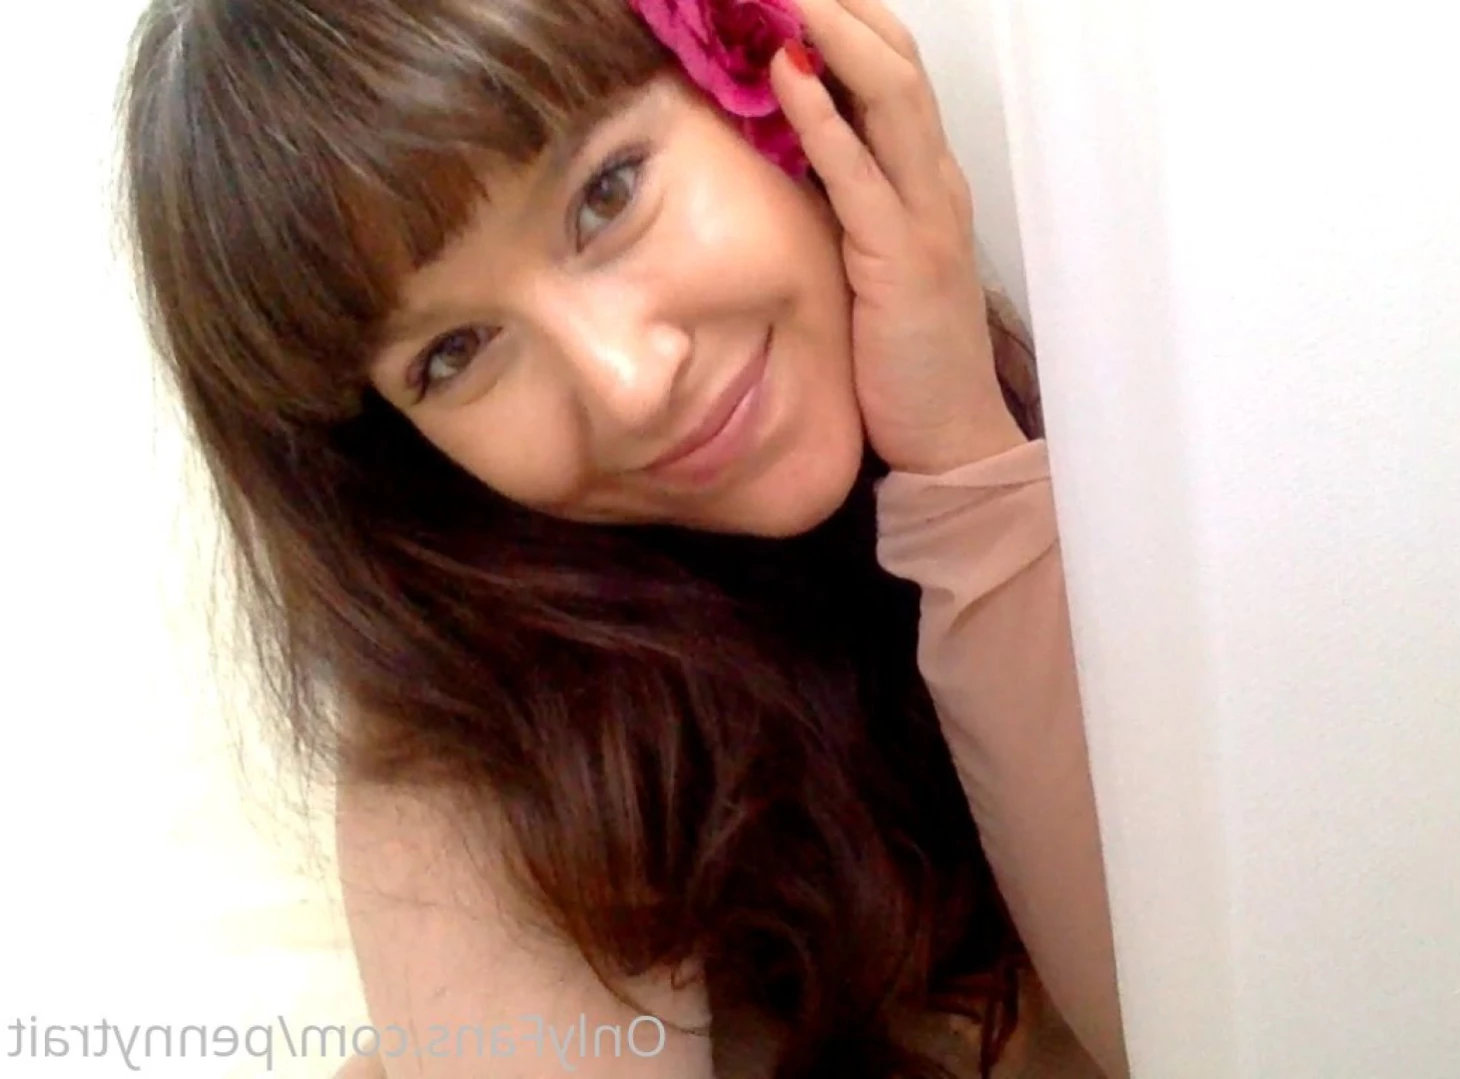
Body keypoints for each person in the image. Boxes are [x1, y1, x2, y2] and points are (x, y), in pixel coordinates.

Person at [118, 0, 1124, 1076]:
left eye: (607, 193)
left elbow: (1188, 1019)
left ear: (773, 70)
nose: (628, 384)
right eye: (455, 353)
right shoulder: (484, 756)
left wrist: (958, 448)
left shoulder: (1138, 426)